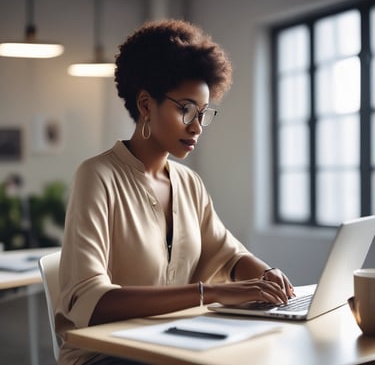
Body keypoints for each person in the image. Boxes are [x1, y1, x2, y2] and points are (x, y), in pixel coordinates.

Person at [55, 19, 294, 365]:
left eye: (204, 113)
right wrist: (209, 294)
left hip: (174, 344)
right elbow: (90, 299)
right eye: (186, 110)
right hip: (105, 355)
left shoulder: (189, 183)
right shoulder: (97, 176)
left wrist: (267, 275)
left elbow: (229, 257)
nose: (197, 126)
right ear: (146, 104)